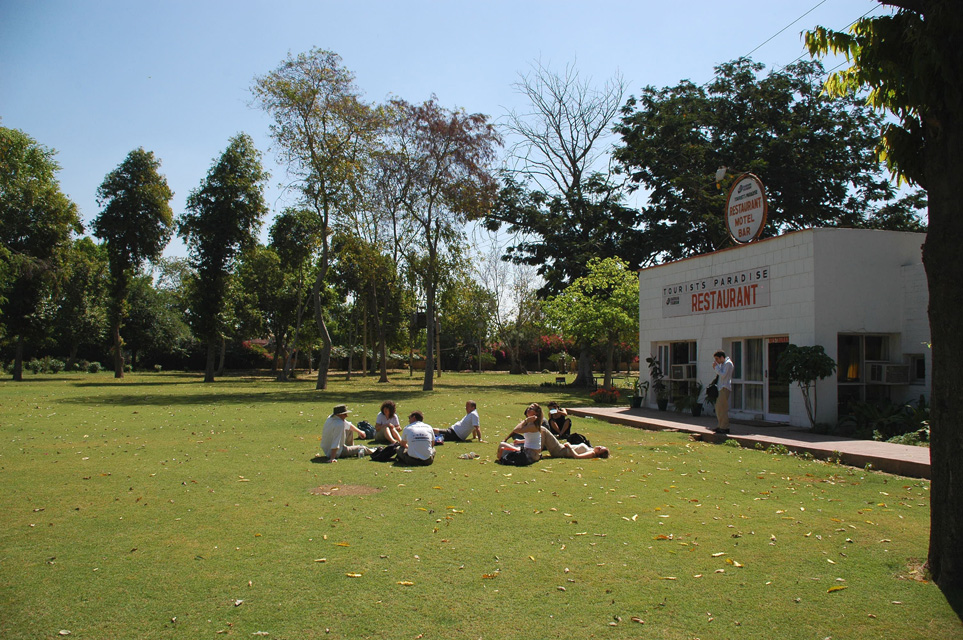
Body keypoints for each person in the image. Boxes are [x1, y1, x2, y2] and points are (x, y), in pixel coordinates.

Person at [712, 350, 735, 435]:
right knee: (718, 408)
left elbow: (723, 375)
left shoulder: (728, 363)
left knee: (722, 408)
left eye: (717, 359)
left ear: (722, 357)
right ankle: (720, 425)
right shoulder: (723, 364)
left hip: (724, 388)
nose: (717, 361)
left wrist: (716, 367)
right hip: (720, 387)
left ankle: (724, 427)